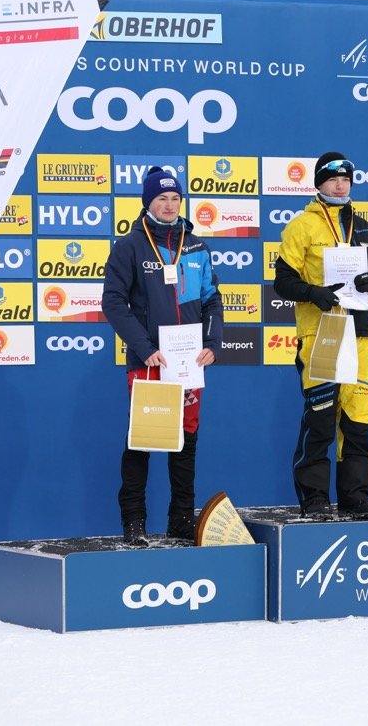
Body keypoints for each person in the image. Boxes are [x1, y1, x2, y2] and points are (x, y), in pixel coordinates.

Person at [103, 167, 223, 546]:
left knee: (187, 438)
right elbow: (113, 302)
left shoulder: (196, 246)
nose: (169, 206)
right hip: (151, 361)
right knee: (143, 438)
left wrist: (212, 342)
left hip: (188, 363)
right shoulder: (130, 246)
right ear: (148, 202)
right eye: (161, 199)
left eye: (175, 199)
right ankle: (134, 521)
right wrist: (145, 348)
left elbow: (211, 300)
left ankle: (180, 519)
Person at [273, 152, 368, 517]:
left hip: (360, 331)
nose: (340, 185)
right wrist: (312, 293)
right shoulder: (301, 225)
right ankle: (315, 497)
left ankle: (355, 495)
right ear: (319, 183)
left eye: (346, 179)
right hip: (321, 331)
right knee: (321, 415)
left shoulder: (361, 225)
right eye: (333, 179)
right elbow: (282, 282)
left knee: (358, 416)